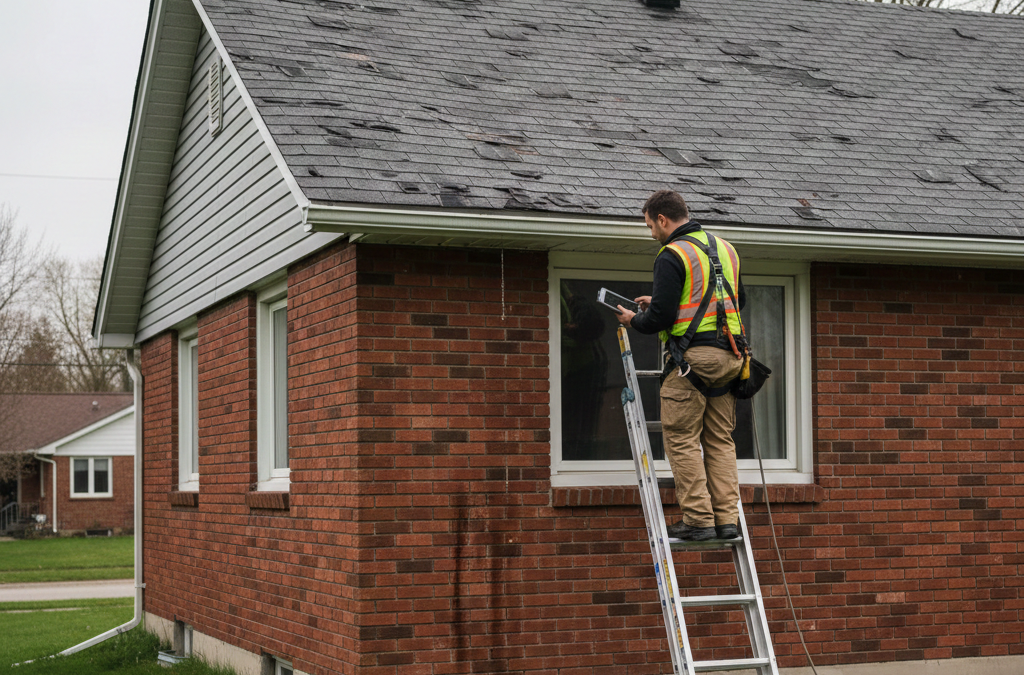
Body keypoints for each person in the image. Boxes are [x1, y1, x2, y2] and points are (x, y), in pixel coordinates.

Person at [615, 190, 746, 542]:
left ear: (662, 219)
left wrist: (633, 319)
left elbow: (660, 318)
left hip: (693, 362)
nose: (651, 233)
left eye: (650, 225)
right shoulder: (725, 249)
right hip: (732, 357)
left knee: (682, 439)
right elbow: (736, 299)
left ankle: (699, 521)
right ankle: (727, 521)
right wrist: (662, 300)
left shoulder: (671, 253)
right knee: (719, 440)